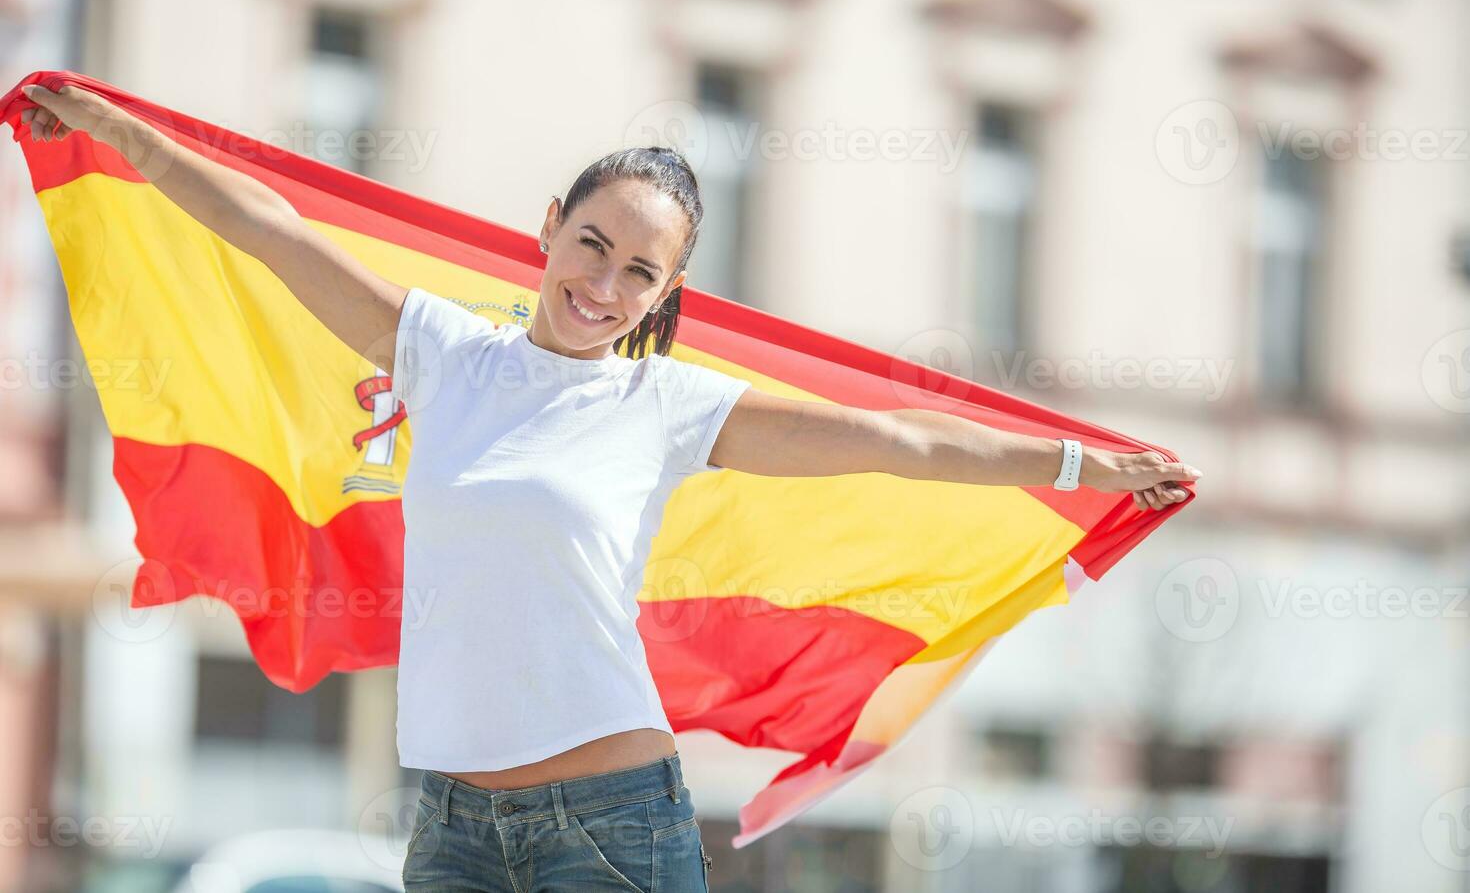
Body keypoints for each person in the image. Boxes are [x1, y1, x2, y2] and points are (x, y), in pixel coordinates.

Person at [18, 83, 1201, 892]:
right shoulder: (444, 351)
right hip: (450, 821)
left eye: (641, 270)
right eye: (594, 243)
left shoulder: (667, 406)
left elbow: (903, 444)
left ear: (661, 293)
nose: (605, 281)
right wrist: (122, 134)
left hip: (613, 821)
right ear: (549, 228)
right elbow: (269, 233)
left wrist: (1086, 466)